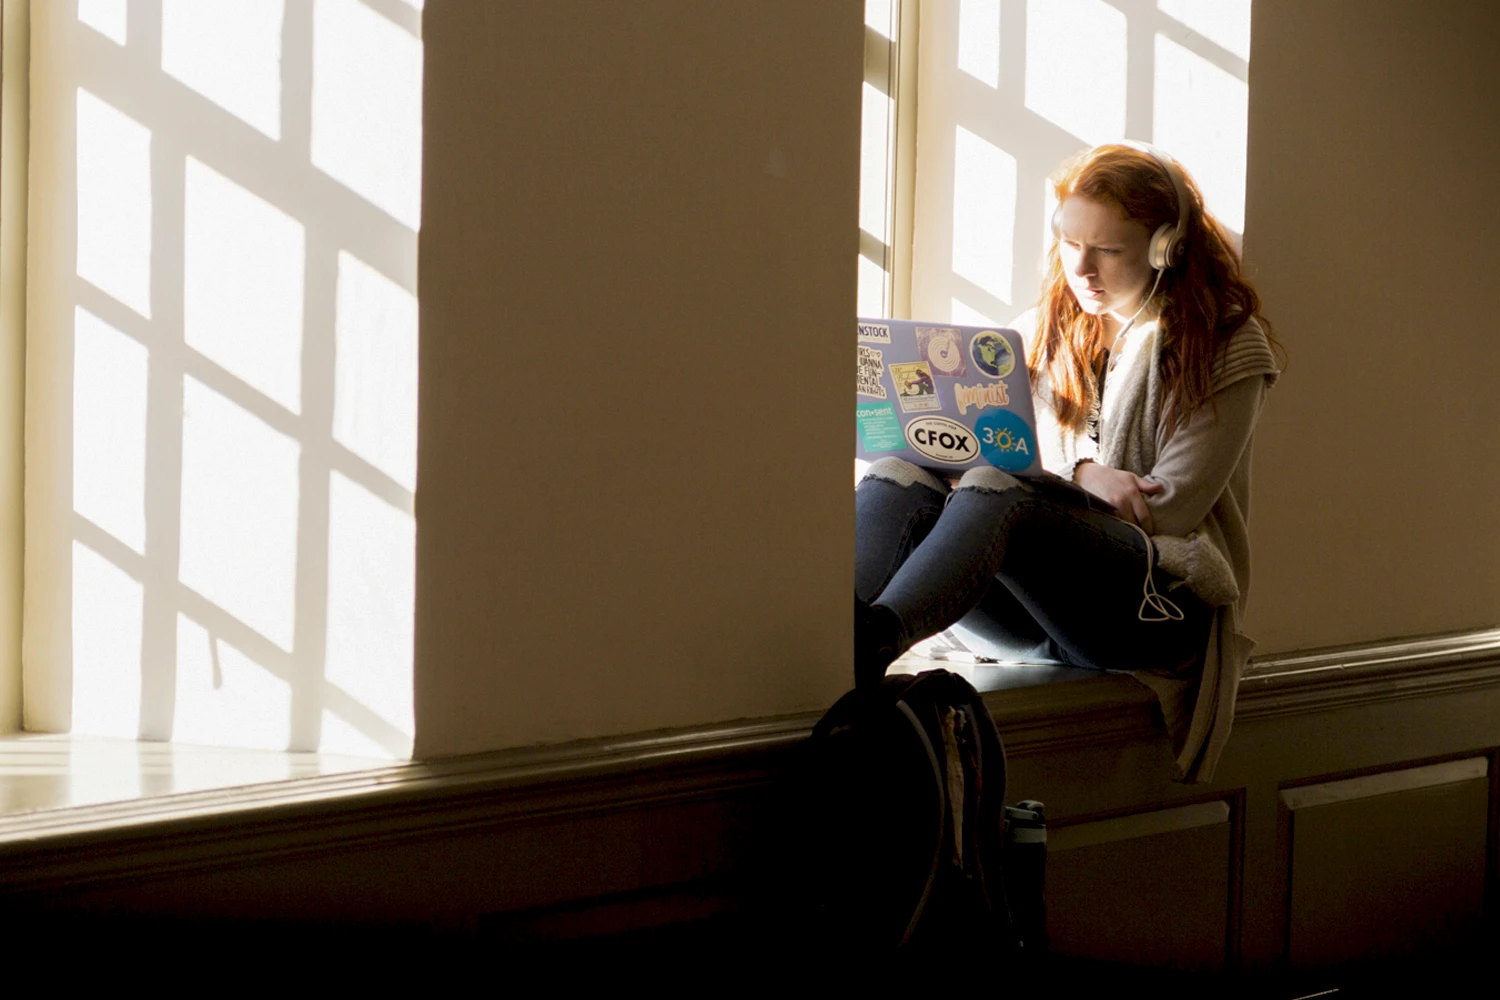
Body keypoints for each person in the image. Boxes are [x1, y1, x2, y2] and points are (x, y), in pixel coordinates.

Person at [854, 142, 1280, 782]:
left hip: (1154, 604)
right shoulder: (1042, 330)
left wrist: (1071, 476)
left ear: (1167, 248)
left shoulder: (1225, 341)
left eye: (1108, 250)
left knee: (1002, 485)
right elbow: (1002, 453)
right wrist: (1082, 473)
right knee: (901, 471)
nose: (1082, 267)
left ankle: (873, 642)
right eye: (1069, 242)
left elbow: (1169, 508)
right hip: (1039, 609)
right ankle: (839, 640)